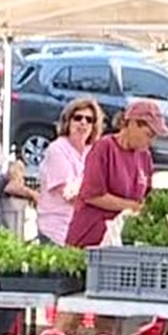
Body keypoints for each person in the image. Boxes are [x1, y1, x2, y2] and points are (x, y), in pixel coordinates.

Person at [64, 99, 168, 248]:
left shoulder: (145, 156)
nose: (151, 141)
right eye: (149, 134)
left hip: (119, 241)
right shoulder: (103, 148)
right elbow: (92, 195)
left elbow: (146, 196)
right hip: (90, 239)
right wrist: (132, 206)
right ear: (132, 124)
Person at [36, 97, 103, 244]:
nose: (83, 123)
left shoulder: (92, 151)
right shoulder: (57, 149)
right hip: (56, 230)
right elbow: (70, 195)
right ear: (68, 122)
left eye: (89, 119)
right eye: (77, 118)